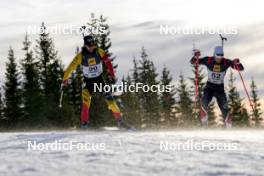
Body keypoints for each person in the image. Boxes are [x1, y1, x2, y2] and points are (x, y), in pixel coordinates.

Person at [62, 35, 129, 129]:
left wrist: (112, 75)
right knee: (85, 102)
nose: (92, 46)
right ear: (85, 45)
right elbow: (70, 67)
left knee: (110, 100)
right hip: (88, 82)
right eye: (90, 45)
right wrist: (65, 79)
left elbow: (108, 62)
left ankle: (120, 122)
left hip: (99, 80)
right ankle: (84, 124)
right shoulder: (81, 56)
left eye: (93, 44)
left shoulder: (99, 51)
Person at [190, 46, 244, 128]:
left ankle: (229, 126)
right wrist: (196, 56)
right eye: (217, 58)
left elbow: (241, 69)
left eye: (221, 58)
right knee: (204, 101)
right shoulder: (208, 60)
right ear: (214, 55)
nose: (219, 60)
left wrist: (237, 63)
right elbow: (193, 62)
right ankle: (204, 123)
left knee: (224, 107)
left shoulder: (226, 62)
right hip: (209, 87)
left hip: (219, 88)